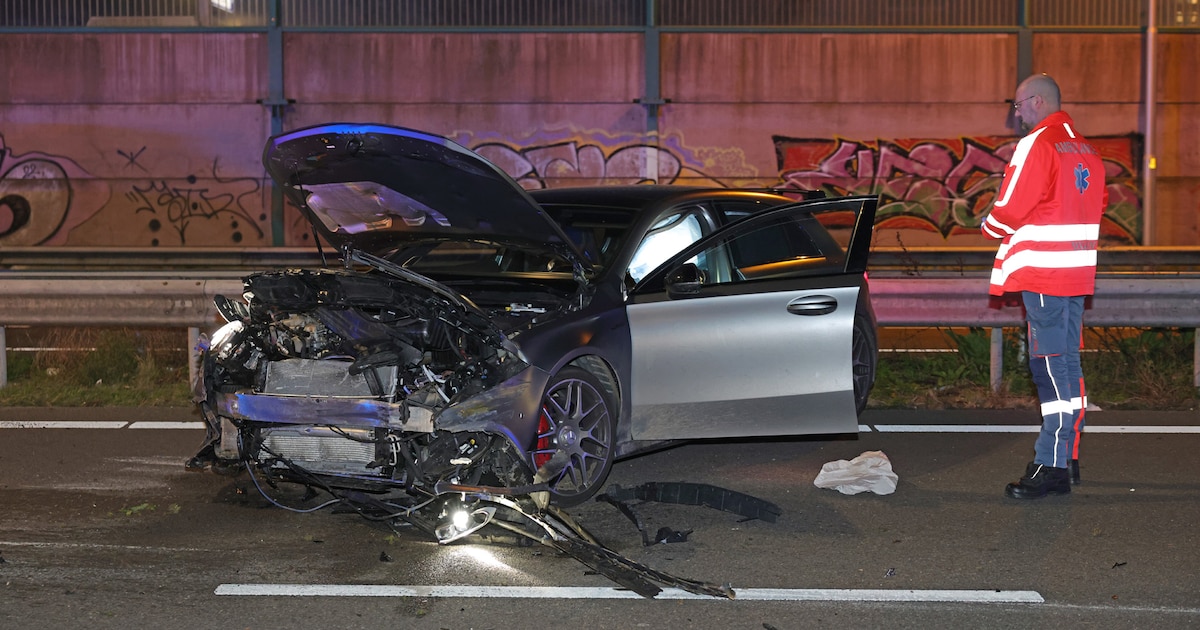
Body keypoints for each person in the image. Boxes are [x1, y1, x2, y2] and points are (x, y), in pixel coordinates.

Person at [981, 74, 1108, 499]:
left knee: (1050, 369)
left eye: (1017, 105)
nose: (1015, 114)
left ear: (1036, 102)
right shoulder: (1086, 149)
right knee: (1068, 365)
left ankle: (1050, 465)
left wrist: (988, 226)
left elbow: (1012, 205)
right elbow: (1097, 205)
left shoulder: (1039, 144)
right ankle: (1068, 453)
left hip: (1044, 275)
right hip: (1075, 275)